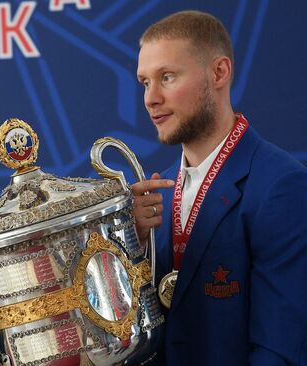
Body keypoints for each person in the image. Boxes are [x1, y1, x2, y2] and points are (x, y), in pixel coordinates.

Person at [132, 10, 307, 365]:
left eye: (167, 77)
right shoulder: (158, 194)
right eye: (145, 82)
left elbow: (279, 348)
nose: (151, 98)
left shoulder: (281, 184)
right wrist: (131, 249)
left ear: (219, 72)